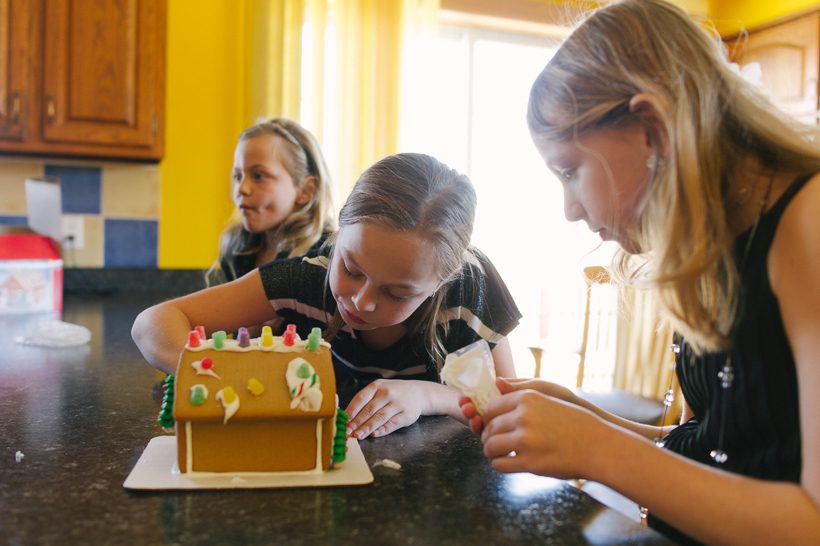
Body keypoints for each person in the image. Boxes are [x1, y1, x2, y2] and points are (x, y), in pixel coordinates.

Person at [461, 1, 820, 544]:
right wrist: (580, 418)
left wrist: (597, 448)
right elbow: (714, 449)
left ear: (652, 129)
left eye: (569, 170)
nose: (570, 210)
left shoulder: (808, 223)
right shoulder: (720, 239)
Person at [134, 152, 521, 440]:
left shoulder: (472, 291)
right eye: (351, 269)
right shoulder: (306, 278)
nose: (361, 301)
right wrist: (222, 377)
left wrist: (428, 397)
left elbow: (506, 411)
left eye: (397, 292)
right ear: (338, 233)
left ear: (443, 281)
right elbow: (152, 324)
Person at [205, 117, 335, 286]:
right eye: (238, 177)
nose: (242, 188)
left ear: (305, 191)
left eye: (258, 176)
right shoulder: (238, 249)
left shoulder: (322, 258)